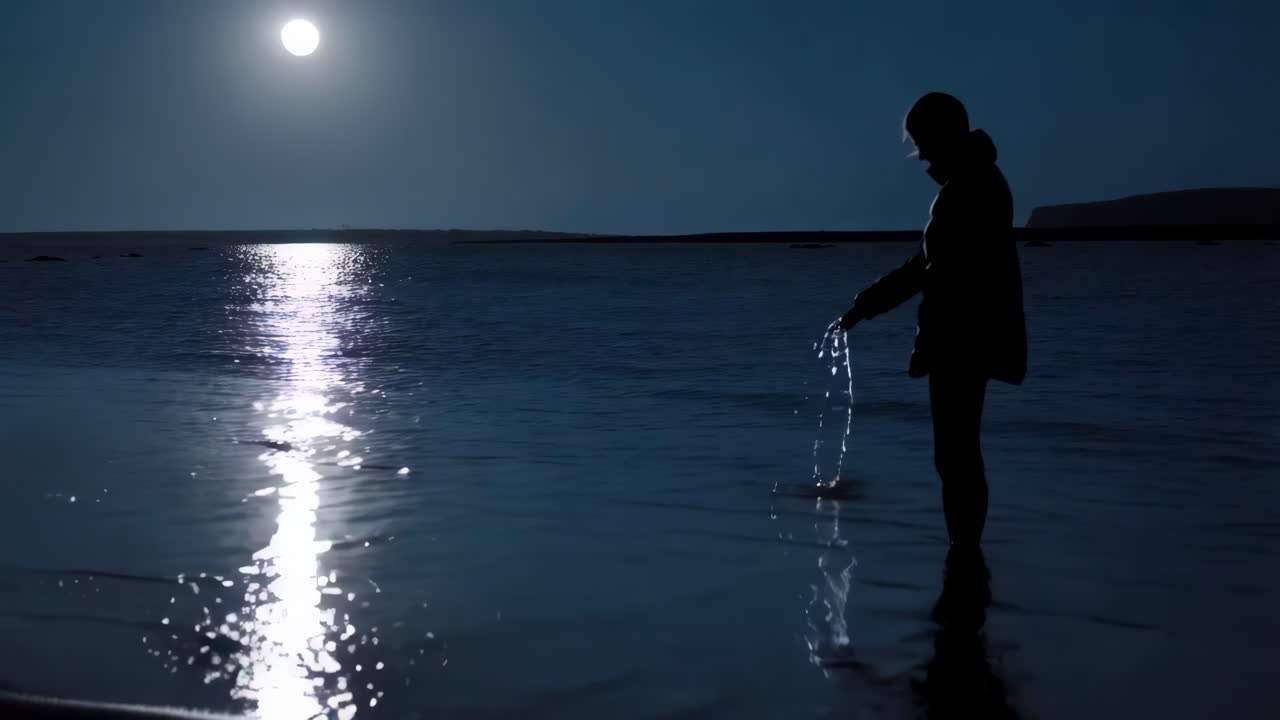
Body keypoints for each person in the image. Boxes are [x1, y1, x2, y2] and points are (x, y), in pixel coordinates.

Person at [836, 92, 1026, 547]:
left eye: (922, 142)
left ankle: (964, 555)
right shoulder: (971, 182)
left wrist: (869, 304)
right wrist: (868, 302)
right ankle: (964, 557)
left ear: (945, 135)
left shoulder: (971, 187)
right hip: (967, 333)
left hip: (965, 336)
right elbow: (929, 262)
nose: (919, 155)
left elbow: (934, 267)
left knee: (956, 453)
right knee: (957, 452)